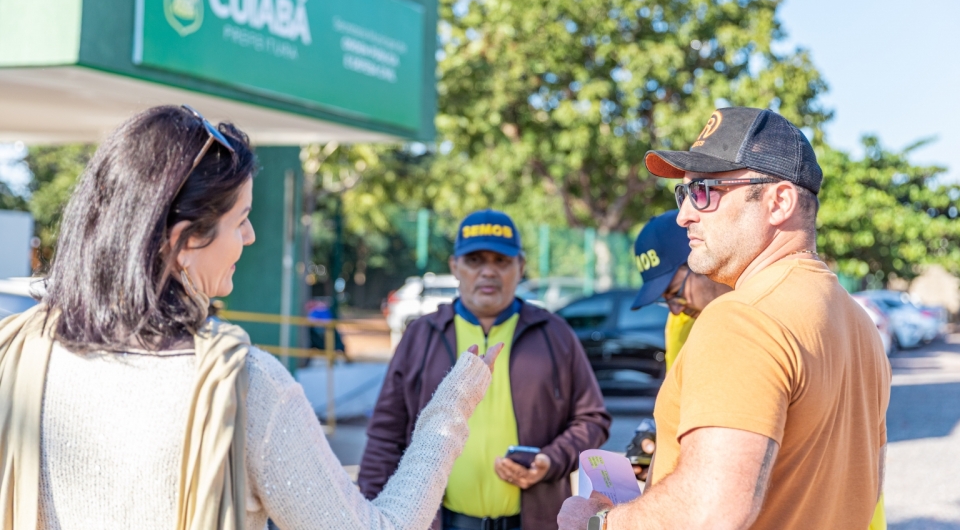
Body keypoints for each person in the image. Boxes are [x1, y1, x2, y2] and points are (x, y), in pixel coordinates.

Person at [4, 104, 501, 530]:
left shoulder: (18, 352)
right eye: (240, 220)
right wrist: (450, 411)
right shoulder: (243, 386)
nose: (250, 238)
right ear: (183, 240)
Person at [559, 107, 891, 529]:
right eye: (683, 195)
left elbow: (712, 510)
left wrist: (599, 523)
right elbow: (867, 486)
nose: (684, 216)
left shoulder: (741, 318)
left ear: (779, 202)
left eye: (704, 191)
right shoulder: (858, 323)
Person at [360, 209, 611, 530]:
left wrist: (551, 461)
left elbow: (593, 419)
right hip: (441, 522)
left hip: (532, 522)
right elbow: (385, 434)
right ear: (455, 267)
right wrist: (370, 509)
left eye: (501, 261)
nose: (488, 272)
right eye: (475, 261)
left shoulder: (554, 334)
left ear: (520, 267)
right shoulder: (422, 336)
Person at [628, 211, 730, 480]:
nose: (675, 310)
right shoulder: (681, 323)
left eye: (675, 293)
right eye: (666, 300)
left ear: (703, 257)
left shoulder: (763, 315)